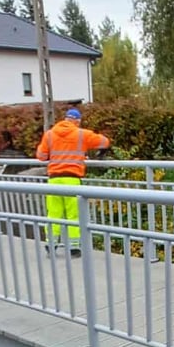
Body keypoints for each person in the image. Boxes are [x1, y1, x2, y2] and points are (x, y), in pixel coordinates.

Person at [35, 108, 110, 257]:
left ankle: (51, 245)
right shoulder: (81, 134)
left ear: (65, 119)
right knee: (73, 215)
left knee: (53, 214)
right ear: (77, 121)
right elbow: (104, 142)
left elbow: (41, 156)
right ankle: (74, 248)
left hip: (54, 179)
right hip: (72, 179)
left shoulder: (49, 134)